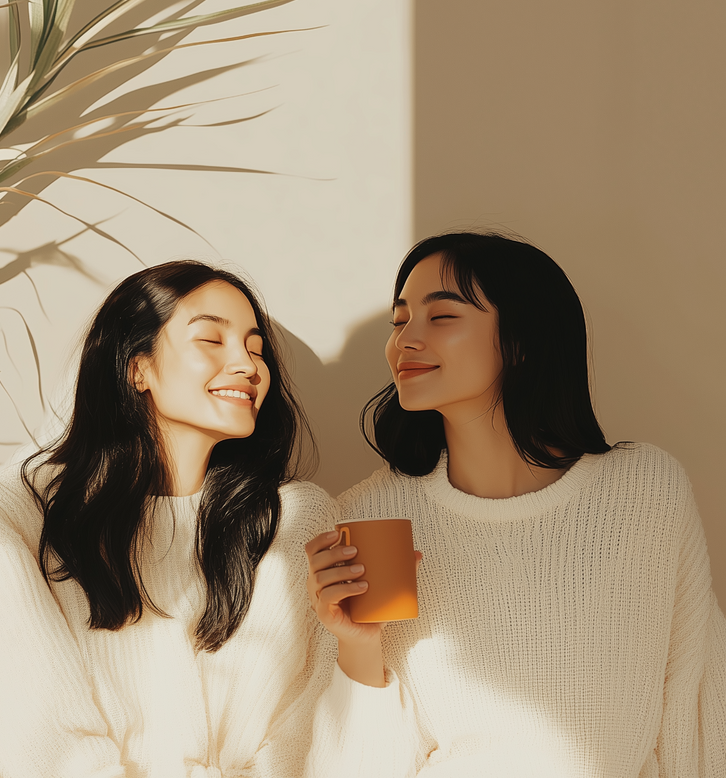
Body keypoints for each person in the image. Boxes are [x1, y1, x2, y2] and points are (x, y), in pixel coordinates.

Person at [305, 232, 726, 777]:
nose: (405, 340)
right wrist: (356, 646)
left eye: (442, 317)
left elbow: (696, 702)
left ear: (522, 340)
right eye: (400, 320)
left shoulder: (644, 490)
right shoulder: (375, 515)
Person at [0, 261, 337, 778]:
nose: (248, 365)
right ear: (135, 366)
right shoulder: (14, 508)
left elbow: (312, 719)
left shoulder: (294, 520)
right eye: (211, 339)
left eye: (256, 349)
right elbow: (30, 719)